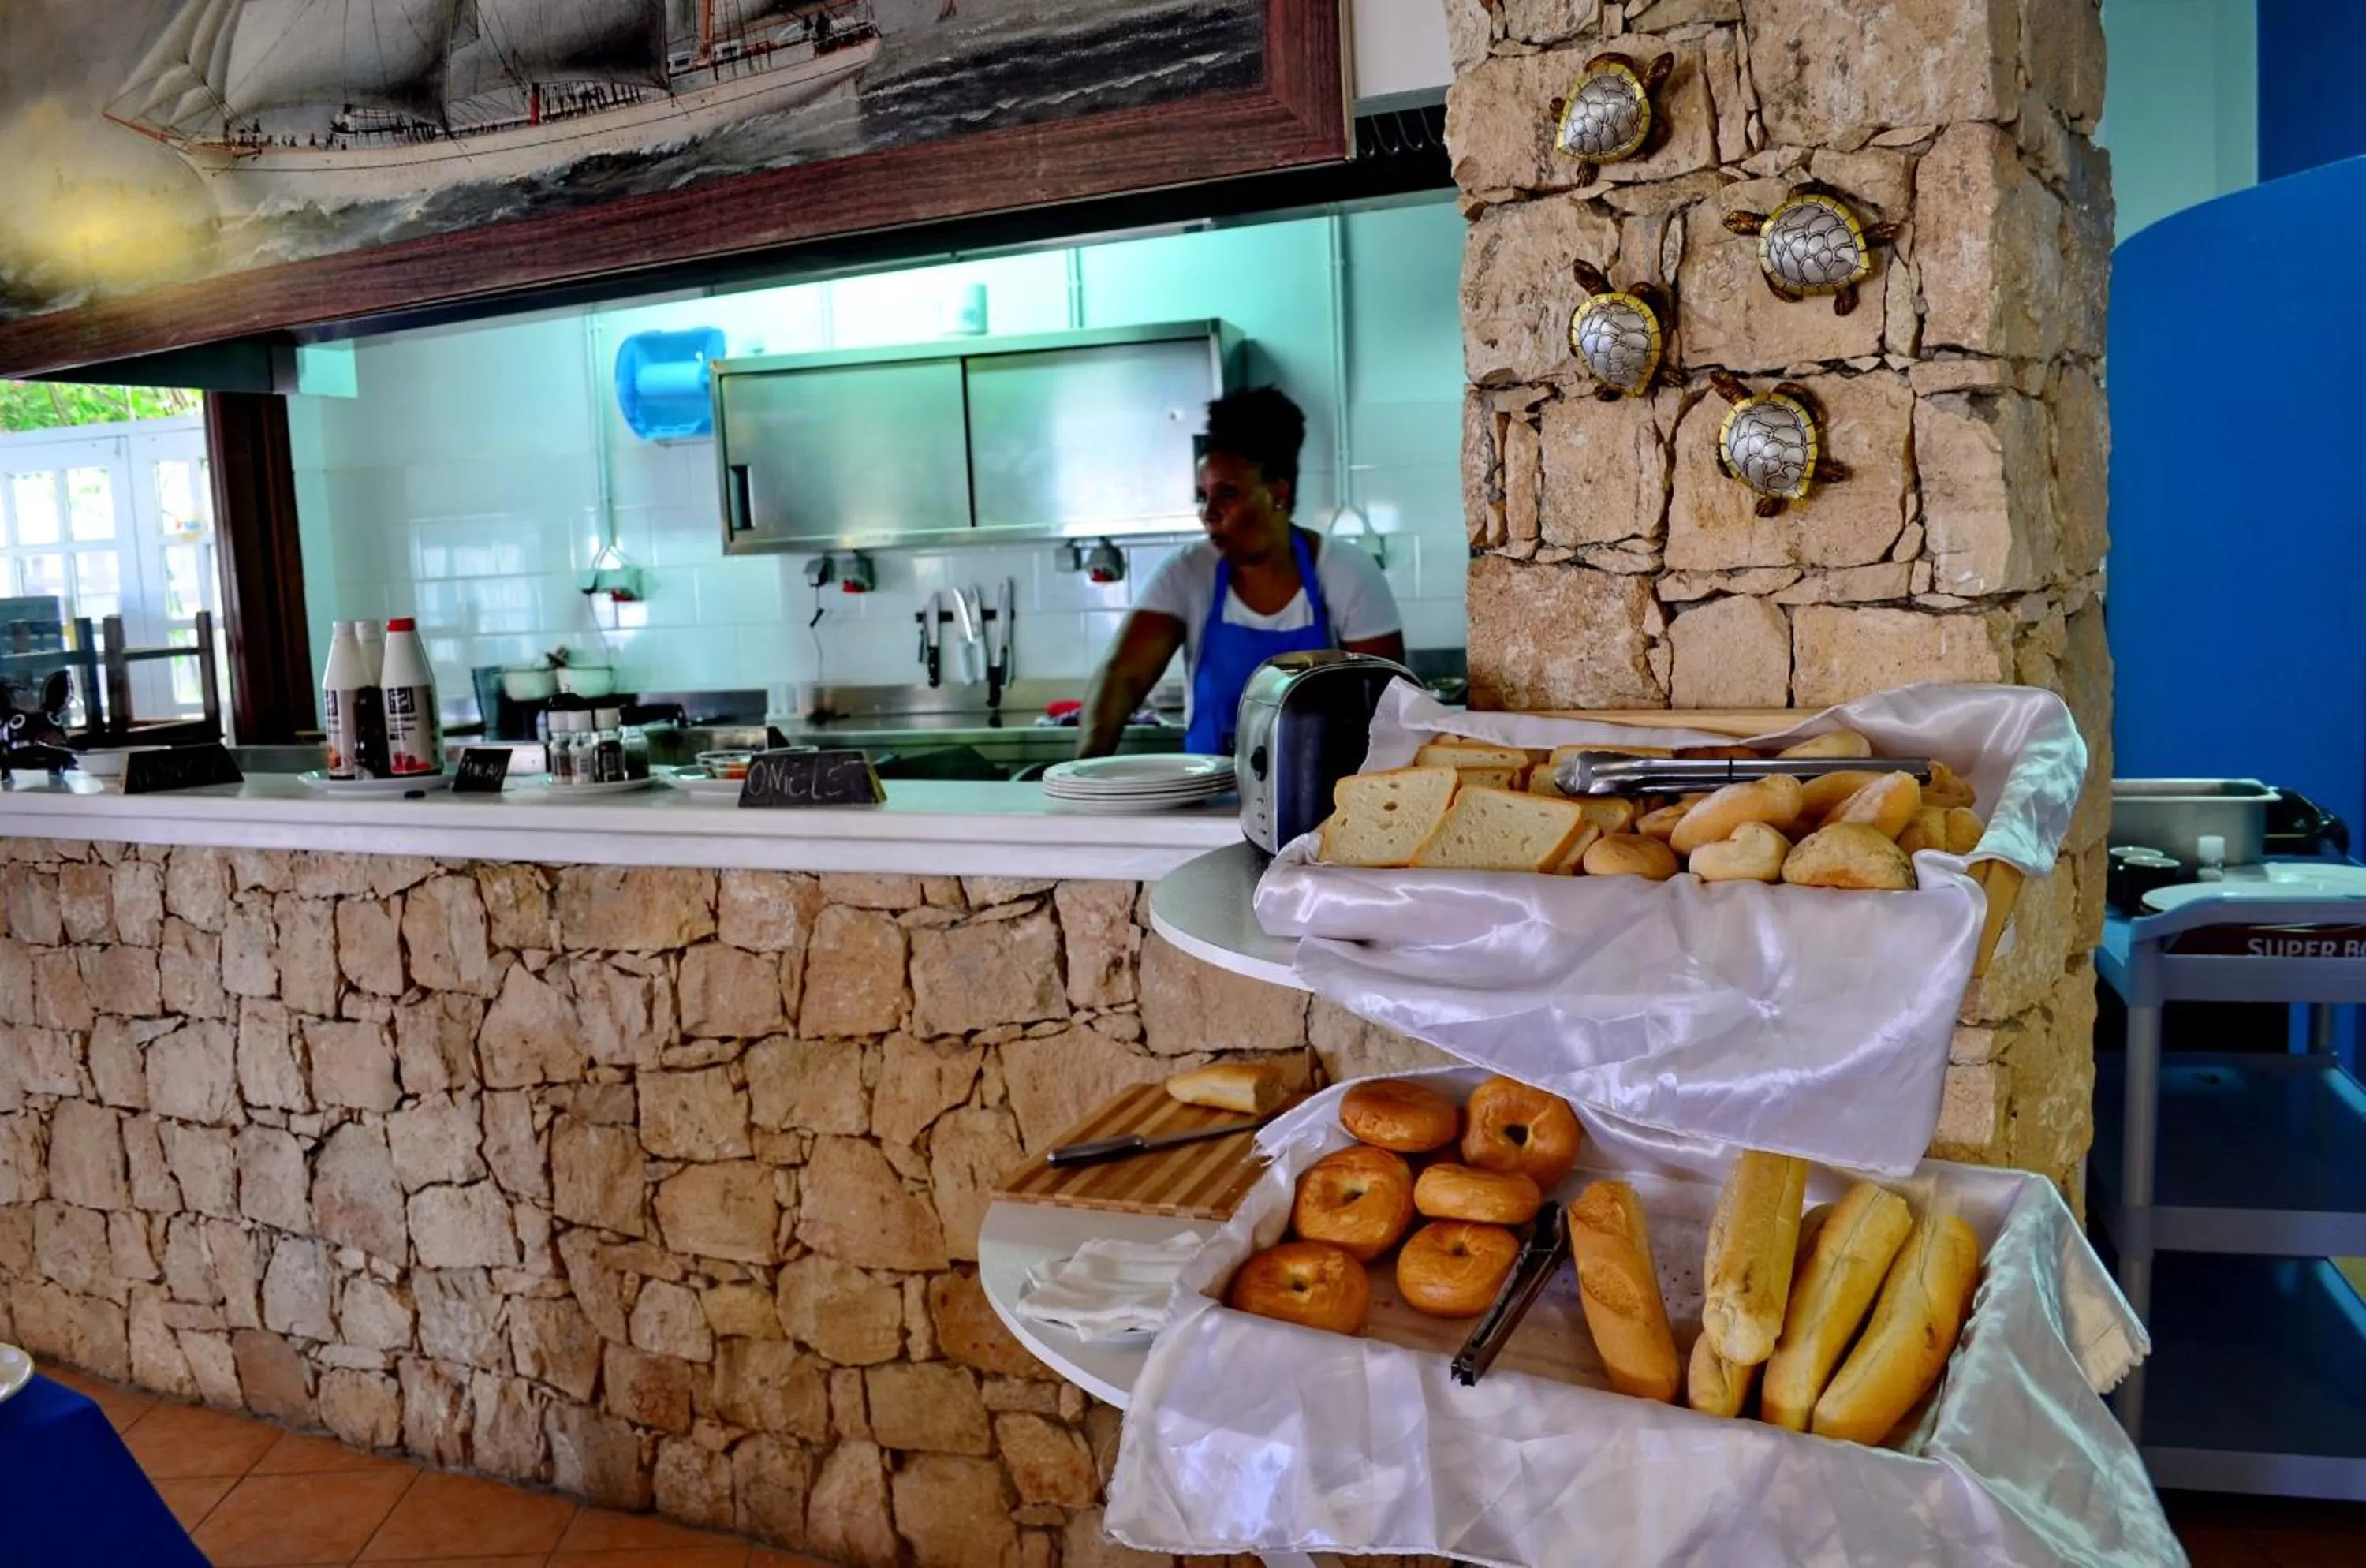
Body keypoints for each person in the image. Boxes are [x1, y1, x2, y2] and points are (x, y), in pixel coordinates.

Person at [1078, 386, 1405, 760]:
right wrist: (1083, 770)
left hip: (1320, 791)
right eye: (1203, 496)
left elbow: (1388, 704)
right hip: (1209, 792)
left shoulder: (1347, 573)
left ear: (1277, 493)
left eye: (1228, 493)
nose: (1208, 513)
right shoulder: (1186, 573)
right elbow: (1123, 677)